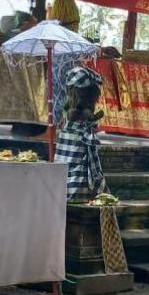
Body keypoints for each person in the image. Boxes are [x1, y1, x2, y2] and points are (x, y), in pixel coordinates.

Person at [55, 66, 108, 203]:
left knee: (69, 167)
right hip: (76, 136)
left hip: (71, 136)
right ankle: (78, 193)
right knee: (76, 166)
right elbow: (73, 114)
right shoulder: (75, 101)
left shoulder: (75, 99)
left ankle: (70, 192)